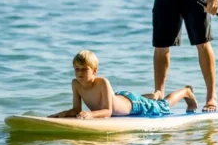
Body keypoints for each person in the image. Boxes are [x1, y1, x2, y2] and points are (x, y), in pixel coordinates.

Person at [50, 50, 197, 119]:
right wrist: (63, 114)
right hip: (120, 97)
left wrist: (90, 114)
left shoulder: (102, 82)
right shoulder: (76, 84)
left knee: (163, 106)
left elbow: (108, 111)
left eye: (84, 69)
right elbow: (76, 108)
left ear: (94, 71)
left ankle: (185, 92)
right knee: (152, 100)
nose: (79, 73)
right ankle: (154, 95)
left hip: (134, 103)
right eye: (76, 69)